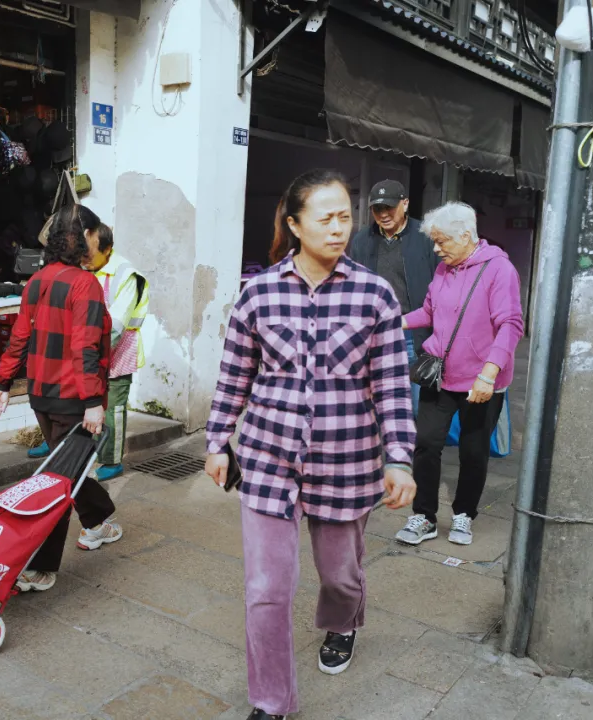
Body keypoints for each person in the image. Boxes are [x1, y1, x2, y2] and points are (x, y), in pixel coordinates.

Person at [205, 170, 417, 720]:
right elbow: (234, 378)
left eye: (345, 215)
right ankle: (271, 702)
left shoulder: (374, 295)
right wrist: (218, 441)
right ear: (294, 224)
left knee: (341, 576)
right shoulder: (258, 293)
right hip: (269, 459)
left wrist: (398, 457)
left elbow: (392, 386)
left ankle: (341, 621)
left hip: (345, 461)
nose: (339, 227)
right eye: (325, 217)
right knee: (266, 589)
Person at [0, 204, 122, 592]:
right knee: (60, 482)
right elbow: (85, 348)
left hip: (42, 395)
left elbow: (19, 337)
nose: (97, 241)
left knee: (69, 469)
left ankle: (99, 521)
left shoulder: (37, 280)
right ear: (82, 239)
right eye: (94, 233)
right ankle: (39, 567)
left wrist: (2, 382)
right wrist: (94, 401)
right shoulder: (85, 284)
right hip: (72, 397)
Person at [395, 202, 523, 547]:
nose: (437, 249)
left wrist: (489, 375)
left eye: (442, 242)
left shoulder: (499, 270)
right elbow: (429, 311)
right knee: (425, 443)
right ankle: (424, 516)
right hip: (441, 373)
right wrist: (395, 322)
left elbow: (511, 325)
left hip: (481, 380)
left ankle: (464, 514)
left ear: (465, 235)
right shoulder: (444, 269)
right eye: (434, 242)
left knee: (473, 450)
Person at [26, 224, 149, 481]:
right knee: (69, 407)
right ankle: (57, 444)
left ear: (108, 250)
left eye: (90, 255)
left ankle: (110, 459)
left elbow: (115, 327)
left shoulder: (126, 275)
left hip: (115, 353)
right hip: (84, 353)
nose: (85, 260)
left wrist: (88, 355)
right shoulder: (80, 271)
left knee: (112, 409)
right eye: (82, 255)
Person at [346, 180, 438, 415]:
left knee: (414, 408)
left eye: (389, 207)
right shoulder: (361, 240)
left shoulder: (426, 237)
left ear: (405, 204)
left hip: (413, 332)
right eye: (378, 209)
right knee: (375, 403)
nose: (384, 214)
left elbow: (441, 285)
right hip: (375, 333)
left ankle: (409, 450)